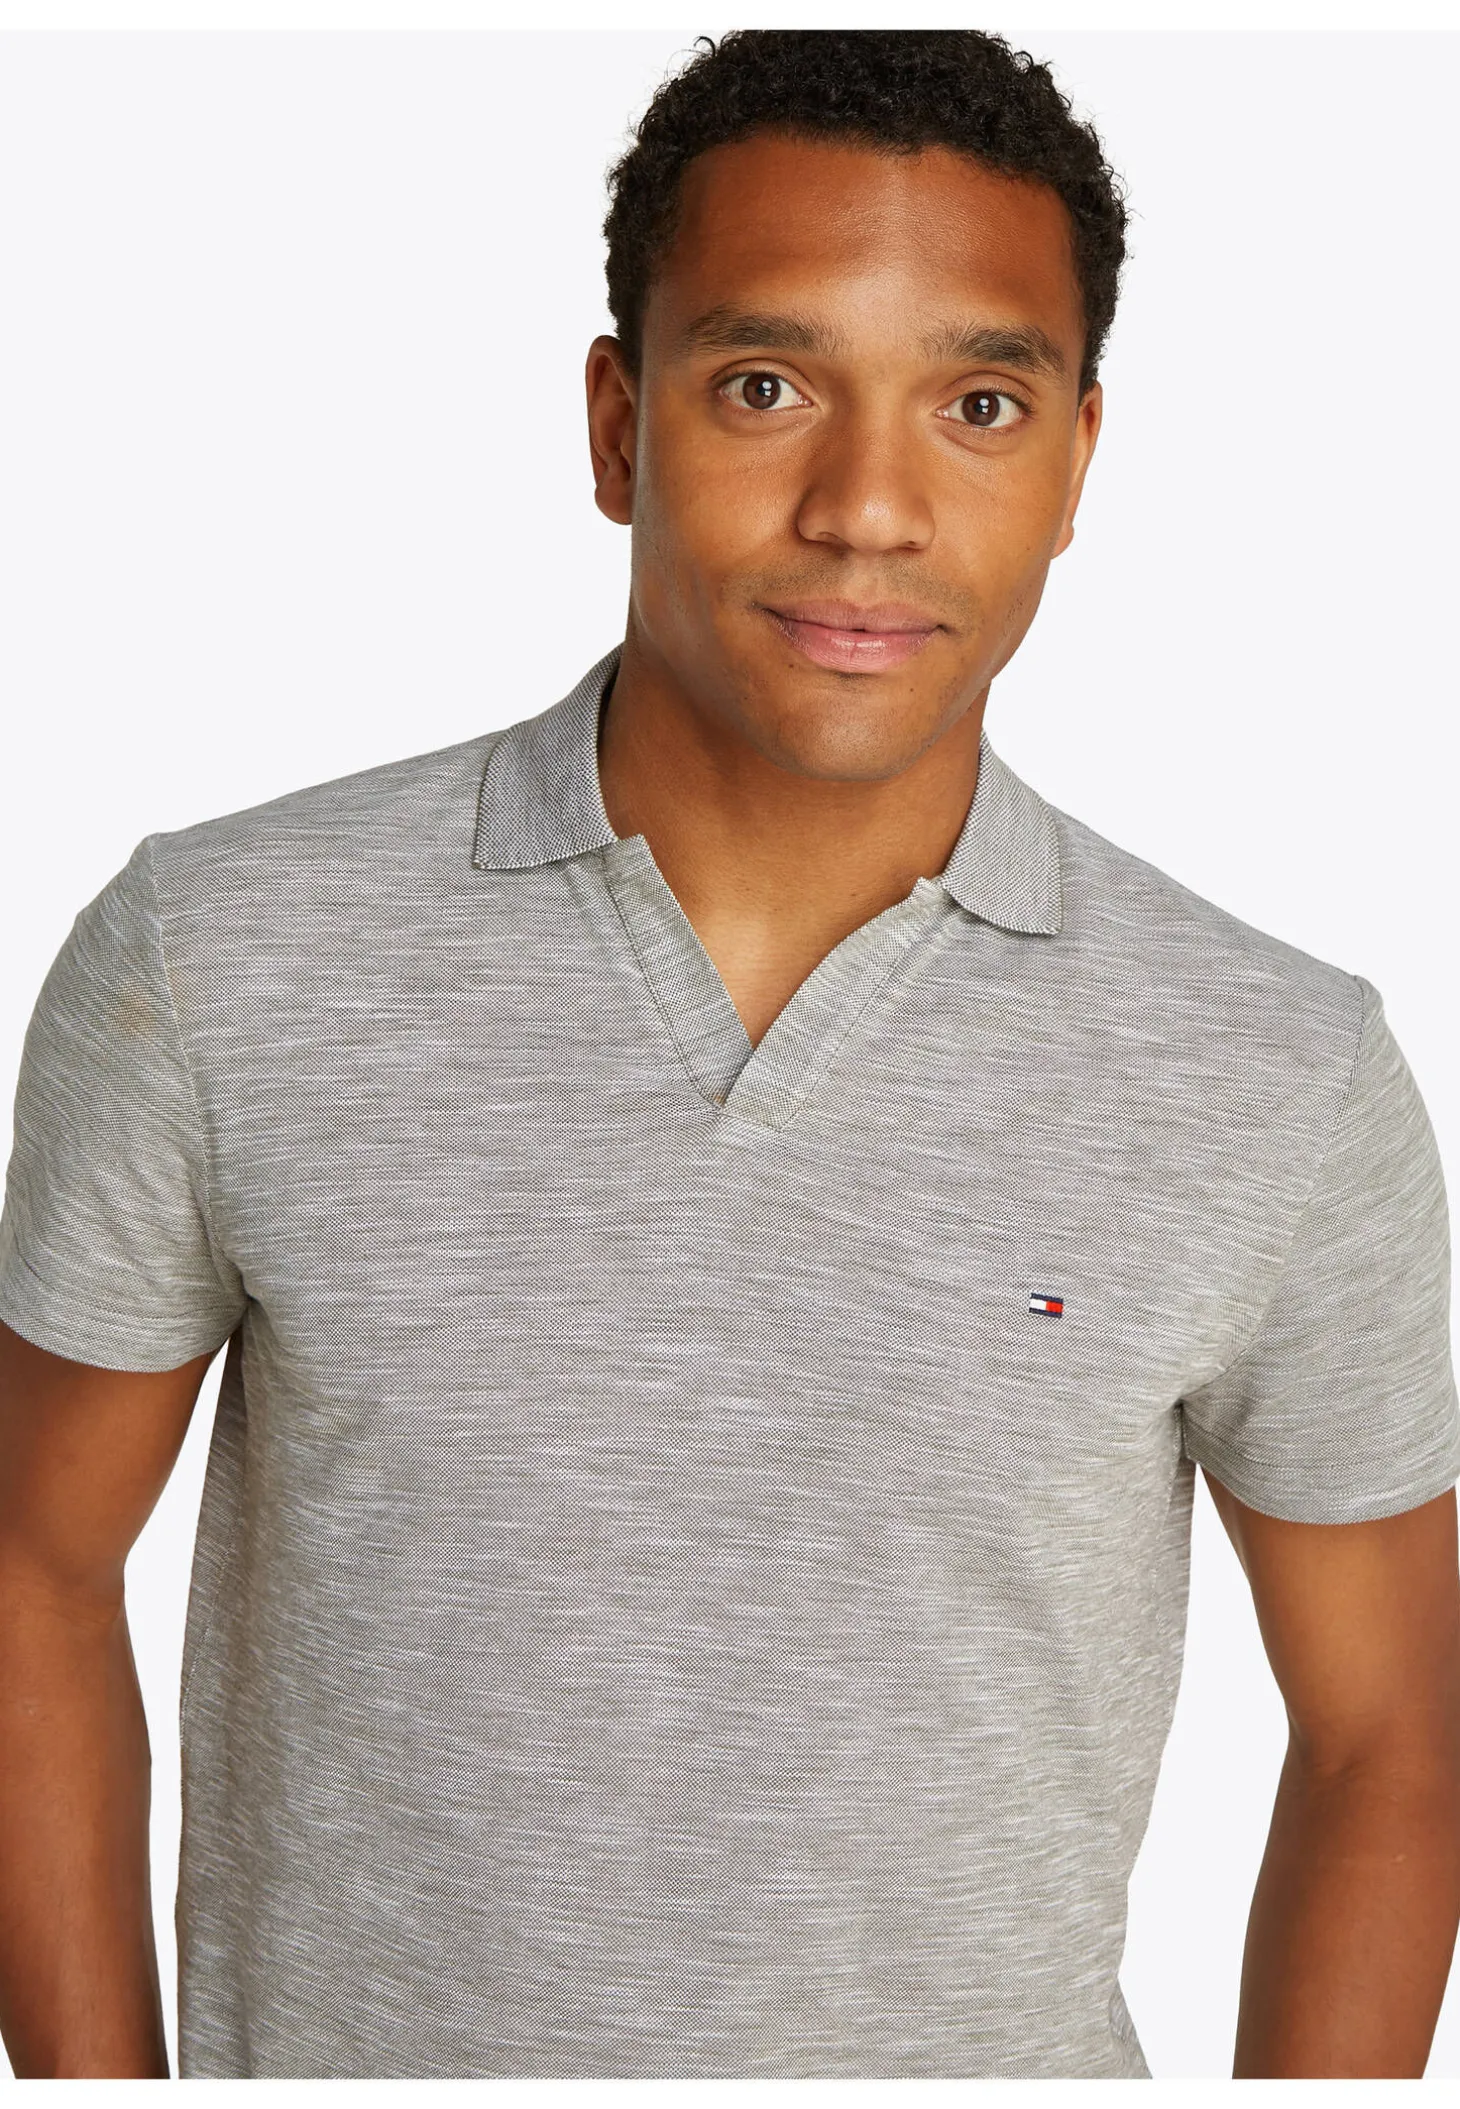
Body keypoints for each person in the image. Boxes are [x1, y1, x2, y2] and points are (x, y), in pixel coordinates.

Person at [0, 25, 1456, 2083]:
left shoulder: (1275, 1072)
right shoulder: (222, 957)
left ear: (1076, 462)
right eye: (765, 386)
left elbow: (1391, 1734)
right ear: (618, 424)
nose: (867, 509)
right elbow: (33, 1565)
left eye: (977, 404)